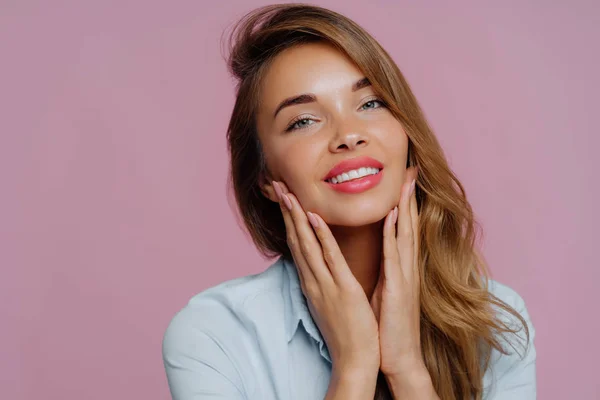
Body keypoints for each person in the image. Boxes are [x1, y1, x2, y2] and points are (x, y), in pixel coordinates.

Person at [162, 4, 536, 400]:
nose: (349, 135)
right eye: (303, 120)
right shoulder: (215, 335)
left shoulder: (495, 322)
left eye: (371, 103)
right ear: (266, 178)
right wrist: (354, 367)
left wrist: (407, 367)